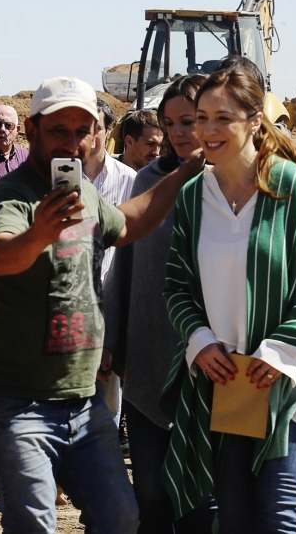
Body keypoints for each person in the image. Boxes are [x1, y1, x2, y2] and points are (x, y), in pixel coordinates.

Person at [0, 76, 204, 534]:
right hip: (13, 401)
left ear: (96, 134)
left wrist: (184, 172)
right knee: (33, 522)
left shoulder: (84, 192)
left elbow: (129, 224)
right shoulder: (9, 197)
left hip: (82, 399)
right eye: (58, 130)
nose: (71, 143)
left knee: (119, 517)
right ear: (32, 131)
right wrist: (41, 233)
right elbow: (1, 257)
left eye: (82, 131)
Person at [160, 69, 296, 533]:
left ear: (254, 121)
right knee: (234, 520)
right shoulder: (194, 196)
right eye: (200, 119)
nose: (206, 132)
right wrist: (200, 342)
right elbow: (177, 285)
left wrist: (280, 352)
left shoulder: (291, 188)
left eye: (222, 119)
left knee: (278, 518)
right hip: (226, 382)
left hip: (291, 382)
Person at [104, 74, 218, 533]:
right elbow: (124, 266)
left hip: (209, 361)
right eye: (170, 123)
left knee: (201, 493)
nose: (177, 133)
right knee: (149, 489)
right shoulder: (148, 181)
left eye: (187, 121)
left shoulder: (225, 184)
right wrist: (112, 338)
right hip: (148, 351)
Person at [85, 98, 136, 432]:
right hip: (67, 312)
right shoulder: (54, 180)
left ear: (109, 130)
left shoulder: (130, 181)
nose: (89, 136)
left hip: (110, 310)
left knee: (106, 409)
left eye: (96, 128)